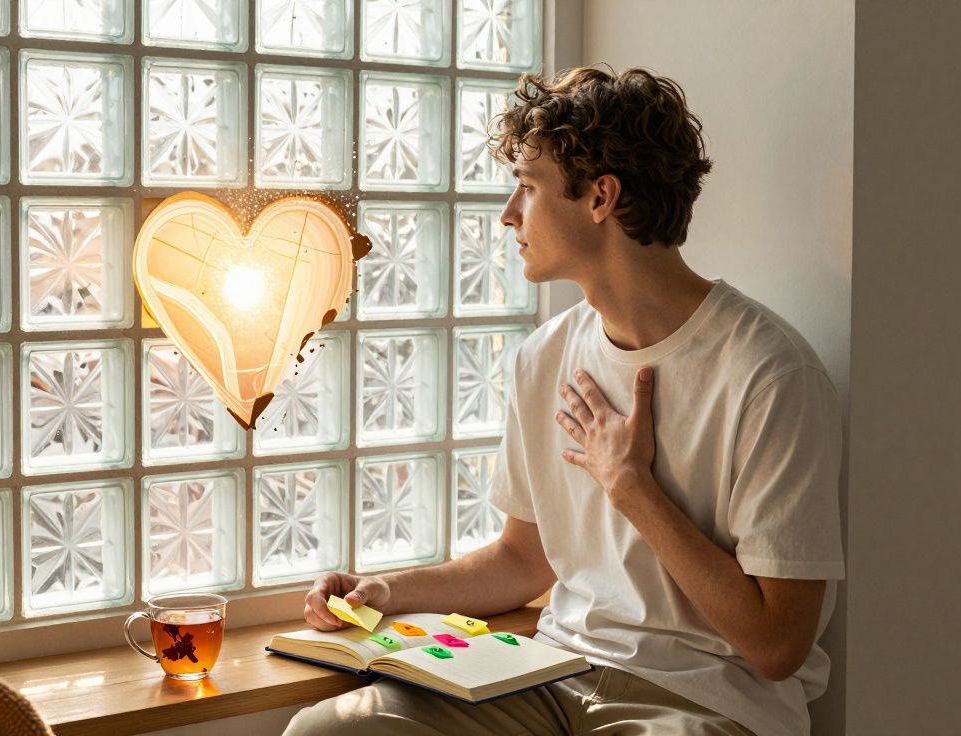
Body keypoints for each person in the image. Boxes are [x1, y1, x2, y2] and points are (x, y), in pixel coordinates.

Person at [284, 66, 845, 736]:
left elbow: (778, 647)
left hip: (703, 705)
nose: (509, 214)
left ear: (601, 197)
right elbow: (524, 560)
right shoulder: (545, 356)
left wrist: (632, 486)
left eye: (528, 186)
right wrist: (382, 591)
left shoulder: (770, 374)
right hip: (551, 679)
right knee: (331, 731)